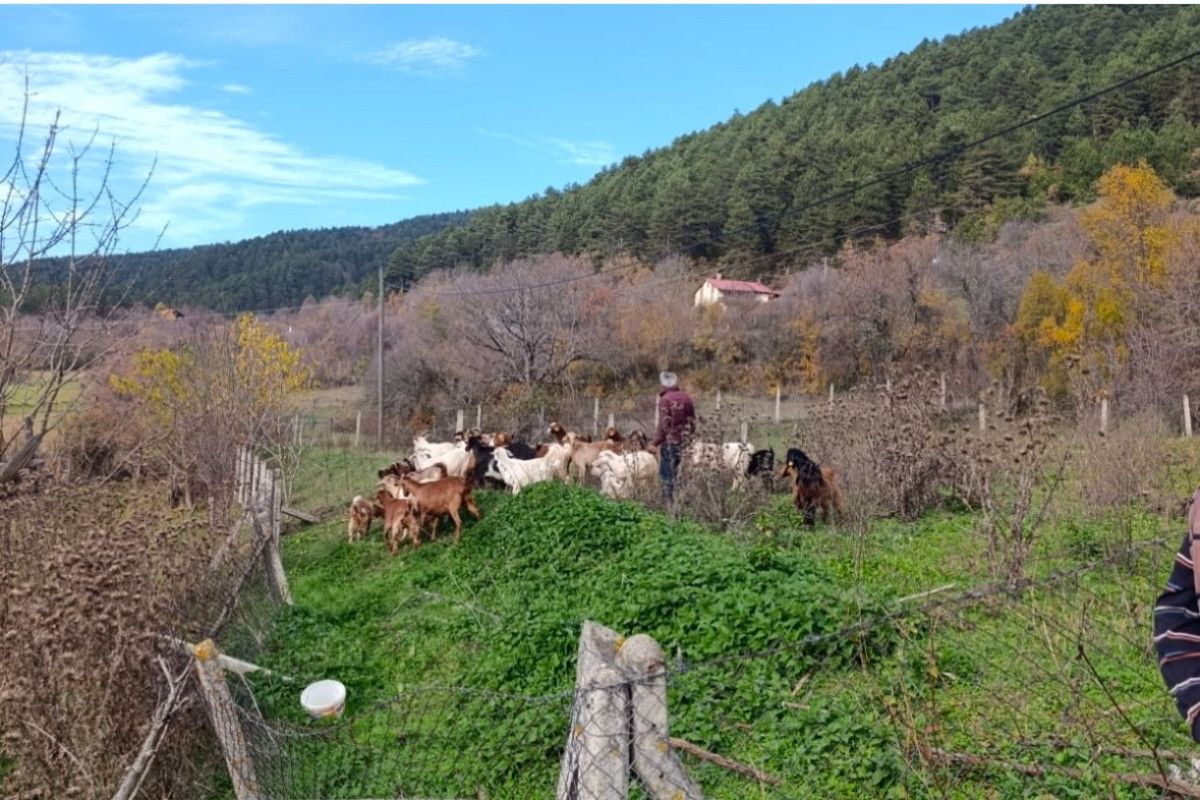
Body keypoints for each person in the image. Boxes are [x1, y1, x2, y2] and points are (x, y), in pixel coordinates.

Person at [651, 371, 695, 504]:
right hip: (685, 443)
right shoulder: (687, 398)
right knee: (682, 474)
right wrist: (690, 439)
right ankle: (683, 502)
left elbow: (663, 425)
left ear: (663, 384)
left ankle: (668, 506)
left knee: (667, 476)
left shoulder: (665, 400)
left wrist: (654, 443)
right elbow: (693, 421)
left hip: (670, 444)